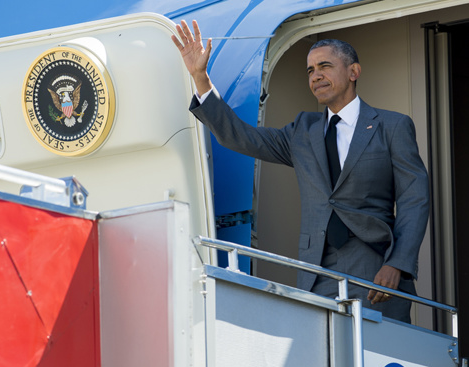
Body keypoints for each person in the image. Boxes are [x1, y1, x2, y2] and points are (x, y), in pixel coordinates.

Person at [172, 20, 429, 322]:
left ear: (353, 72)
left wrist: (398, 263)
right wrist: (200, 78)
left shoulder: (392, 126)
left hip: (374, 269)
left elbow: (415, 199)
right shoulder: (302, 131)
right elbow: (240, 136)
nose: (316, 75)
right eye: (310, 70)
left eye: (325, 66)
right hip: (315, 272)